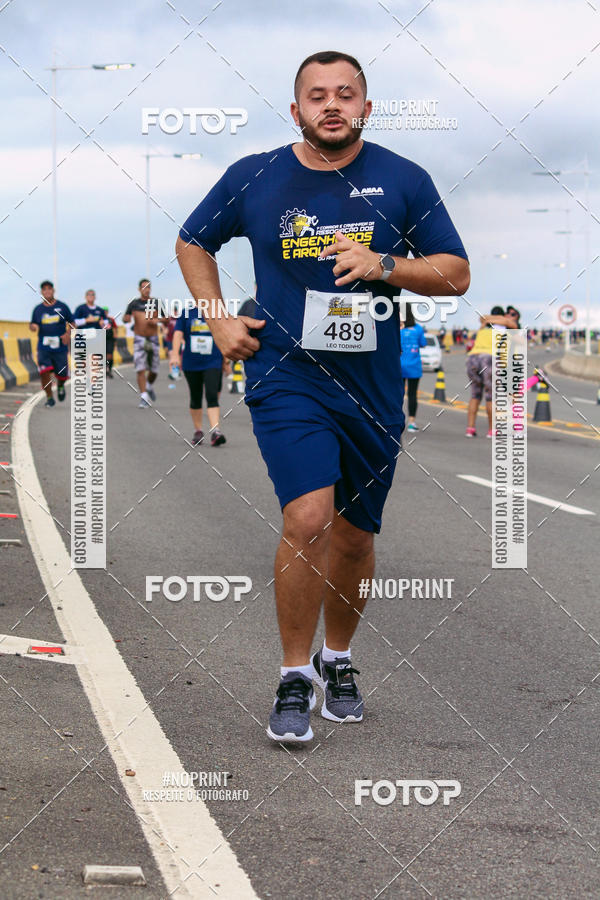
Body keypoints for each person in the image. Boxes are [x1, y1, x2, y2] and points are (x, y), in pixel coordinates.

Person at [176, 50, 469, 743]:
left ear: (365, 107)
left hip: (369, 382)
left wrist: (387, 264)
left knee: (354, 536)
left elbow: (454, 273)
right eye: (316, 95)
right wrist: (216, 315)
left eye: (345, 94)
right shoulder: (254, 176)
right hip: (287, 373)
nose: (330, 105)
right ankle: (291, 676)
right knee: (308, 516)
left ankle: (336, 659)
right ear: (296, 109)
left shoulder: (403, 179)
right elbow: (194, 240)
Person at [170, 306, 229, 446]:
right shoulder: (187, 313)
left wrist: (226, 358)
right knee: (195, 396)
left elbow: (224, 334)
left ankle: (216, 431)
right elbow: (178, 334)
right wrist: (175, 355)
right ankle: (198, 431)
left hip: (213, 361)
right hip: (192, 362)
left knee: (212, 394)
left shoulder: (218, 312)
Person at [465, 306, 516, 438]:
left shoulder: (482, 328)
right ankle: (492, 430)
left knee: (475, 394)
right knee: (491, 396)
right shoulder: (506, 331)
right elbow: (513, 325)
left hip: (473, 358)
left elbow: (482, 318)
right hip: (489, 359)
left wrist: (487, 320)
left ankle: (470, 428)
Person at [122, 279, 167, 407]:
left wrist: (157, 320)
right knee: (140, 368)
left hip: (153, 338)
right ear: (139, 289)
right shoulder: (134, 304)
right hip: (139, 339)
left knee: (154, 369)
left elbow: (167, 319)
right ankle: (144, 396)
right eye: (143, 287)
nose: (146, 289)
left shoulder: (157, 302)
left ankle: (149, 385)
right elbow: (125, 318)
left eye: (148, 287)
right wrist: (126, 319)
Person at [29, 280, 74, 407]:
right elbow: (33, 324)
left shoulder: (62, 307)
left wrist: (67, 334)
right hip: (44, 347)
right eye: (44, 289)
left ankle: (60, 386)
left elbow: (72, 323)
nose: (47, 291)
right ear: (42, 292)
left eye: (49, 289)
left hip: (60, 347)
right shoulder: (38, 309)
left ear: (53, 291)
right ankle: (49, 397)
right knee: (44, 372)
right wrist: (32, 327)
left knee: (61, 375)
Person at [400, 303, 426, 432]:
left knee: (398, 394)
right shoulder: (418, 329)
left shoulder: (397, 328)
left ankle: (398, 420)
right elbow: (423, 343)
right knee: (412, 394)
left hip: (399, 366)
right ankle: (411, 422)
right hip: (414, 366)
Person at [102, 307, 117, 378]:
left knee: (110, 355)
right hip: (101, 339)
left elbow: (114, 329)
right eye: (104, 311)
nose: (105, 312)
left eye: (106, 311)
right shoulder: (99, 320)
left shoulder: (111, 319)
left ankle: (109, 369)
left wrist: (115, 339)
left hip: (110, 339)